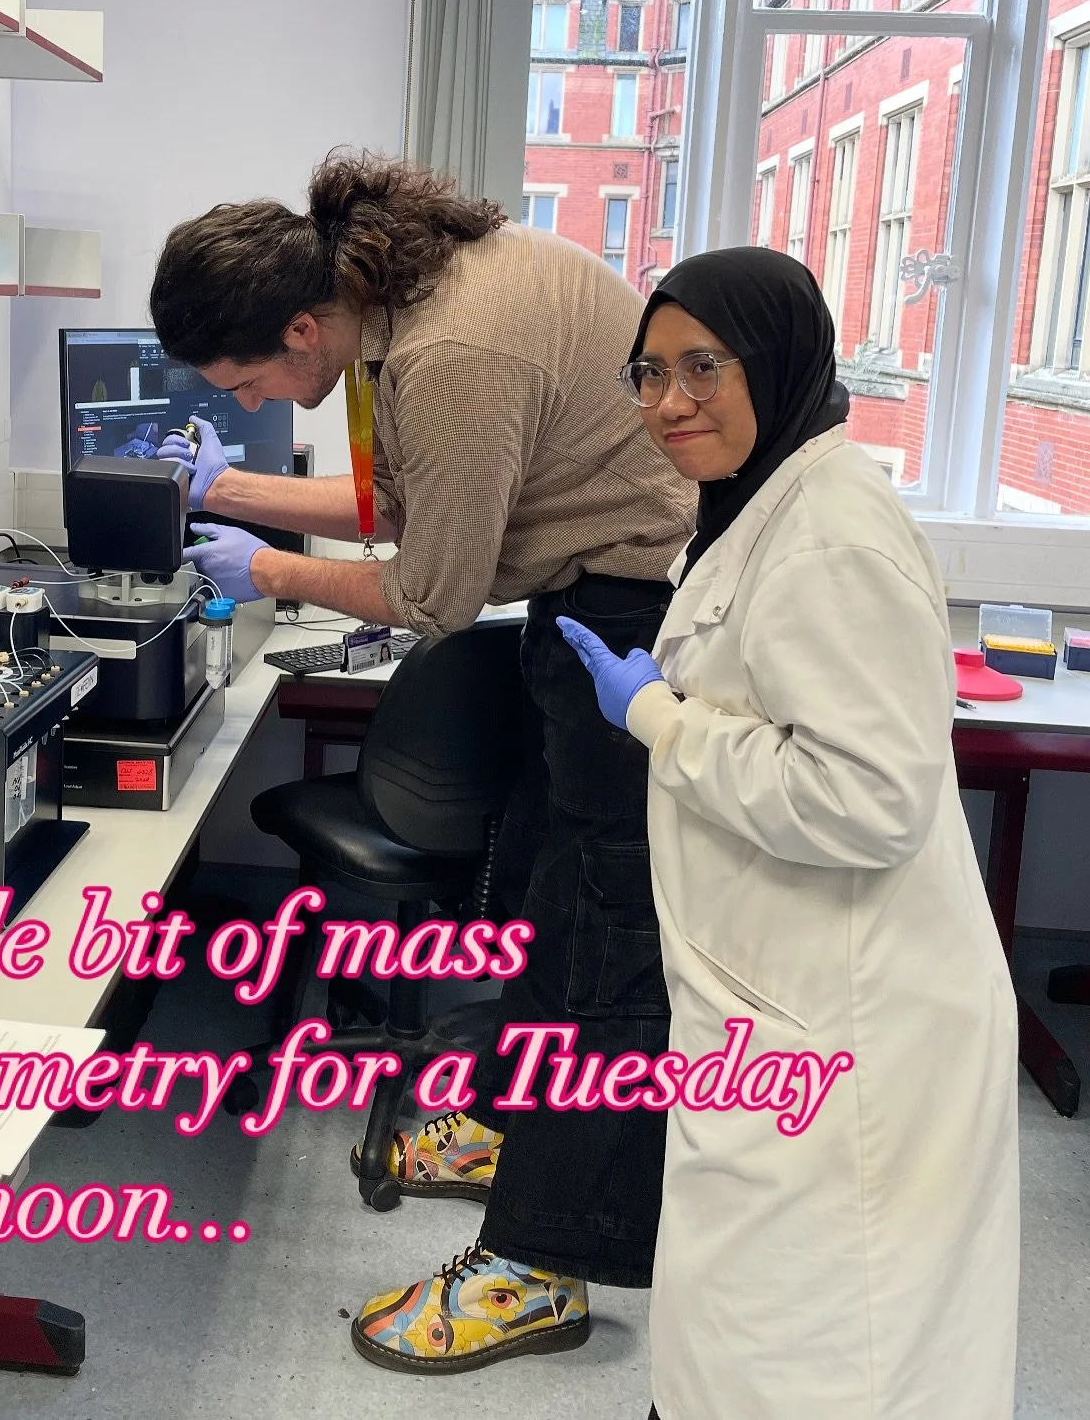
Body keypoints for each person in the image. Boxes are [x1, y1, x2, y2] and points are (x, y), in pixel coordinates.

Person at [149, 151, 696, 1371]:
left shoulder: (449, 350)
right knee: (552, 902)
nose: (257, 401)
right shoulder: (386, 310)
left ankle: (542, 1266)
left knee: (601, 939)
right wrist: (229, 488)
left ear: (301, 326)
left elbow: (437, 592)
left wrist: (266, 567)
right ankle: (508, 1129)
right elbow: (405, 499)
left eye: (249, 382)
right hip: (584, 598)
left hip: (630, 611)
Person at [559, 247, 1020, 1419]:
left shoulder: (830, 532)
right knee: (751, 1329)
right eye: (649, 373)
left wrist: (658, 716)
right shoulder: (766, 502)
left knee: (820, 1344)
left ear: (777, 361)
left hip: (851, 1013)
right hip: (785, 985)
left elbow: (866, 797)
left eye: (702, 366)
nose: (669, 402)